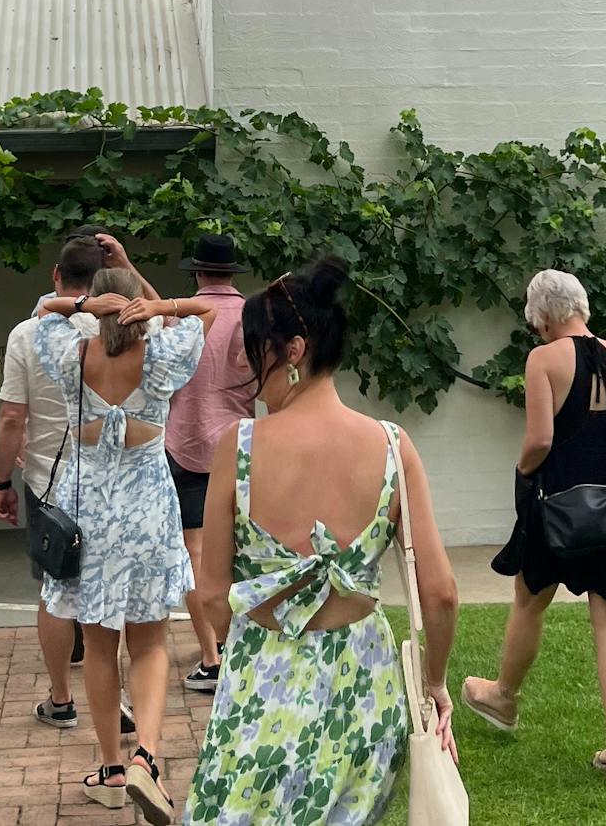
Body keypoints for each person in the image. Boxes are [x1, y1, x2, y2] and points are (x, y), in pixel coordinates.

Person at [184, 257, 460, 826]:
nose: (247, 361)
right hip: (366, 680)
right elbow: (441, 594)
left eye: (256, 346)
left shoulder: (237, 447)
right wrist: (434, 684)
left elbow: (211, 594)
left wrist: (247, 643)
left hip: (265, 674)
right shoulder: (391, 444)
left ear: (292, 350)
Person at [32, 269, 214, 823]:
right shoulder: (161, 358)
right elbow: (202, 313)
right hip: (147, 509)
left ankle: (111, 768)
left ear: (98, 307)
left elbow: (44, 309)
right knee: (152, 642)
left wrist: (82, 302)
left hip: (88, 507)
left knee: (99, 642)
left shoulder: (73, 355)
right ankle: (148, 758)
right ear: (136, 306)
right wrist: (158, 309)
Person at [462, 268, 606, 788]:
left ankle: (503, 698)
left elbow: (540, 439)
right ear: (582, 308)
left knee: (529, 597)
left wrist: (522, 469)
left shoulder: (542, 359)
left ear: (542, 316)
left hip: (557, 499)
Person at [0, 231, 138, 734]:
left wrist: (0, 481)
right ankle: (118, 699)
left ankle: (61, 699)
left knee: (57, 589)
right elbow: (163, 312)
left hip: (50, 482)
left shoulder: (28, 333)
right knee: (113, 592)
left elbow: (13, 418)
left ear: (56, 276)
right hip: (114, 480)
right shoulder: (127, 328)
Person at [166, 232, 253, 693]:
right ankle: (245, 646)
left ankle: (211, 655)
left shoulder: (181, 318)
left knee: (194, 554)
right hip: (242, 446)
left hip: (186, 443)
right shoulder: (254, 316)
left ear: (197, 272)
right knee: (243, 550)